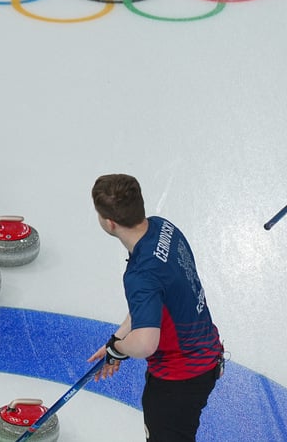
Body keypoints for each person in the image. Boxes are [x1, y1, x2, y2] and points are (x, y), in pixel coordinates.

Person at [87, 174, 224, 442]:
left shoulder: (140, 275)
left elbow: (146, 343)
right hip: (203, 356)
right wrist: (118, 339)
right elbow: (156, 299)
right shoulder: (163, 229)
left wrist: (120, 348)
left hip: (179, 378)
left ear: (109, 223)